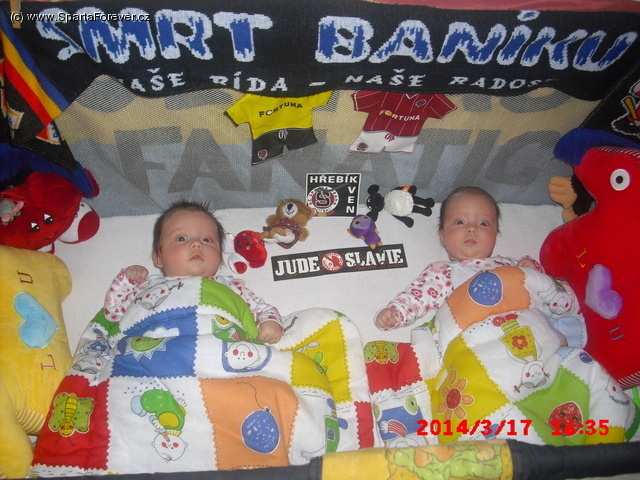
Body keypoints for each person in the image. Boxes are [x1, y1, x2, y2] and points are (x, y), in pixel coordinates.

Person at [104, 200, 284, 343]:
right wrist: (127, 280)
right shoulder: (149, 287)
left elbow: (262, 308)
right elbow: (114, 313)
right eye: (181, 238)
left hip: (216, 352)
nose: (197, 243)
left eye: (207, 239)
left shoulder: (231, 287)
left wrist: (270, 322)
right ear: (158, 258)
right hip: (156, 350)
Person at [375, 186, 542, 330]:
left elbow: (546, 290)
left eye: (483, 223)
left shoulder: (510, 265)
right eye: (460, 222)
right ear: (442, 236)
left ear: (495, 235)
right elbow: (417, 297)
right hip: (477, 335)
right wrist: (397, 313)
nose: (472, 228)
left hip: (525, 326)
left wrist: (532, 269)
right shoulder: (442, 273)